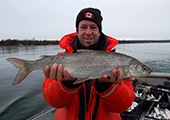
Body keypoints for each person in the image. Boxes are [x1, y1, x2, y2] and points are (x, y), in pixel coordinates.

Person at [42, 7, 135, 120]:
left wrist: (108, 86)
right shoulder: (60, 59)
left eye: (93, 27)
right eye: (83, 27)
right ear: (77, 31)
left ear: (99, 31)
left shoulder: (118, 60)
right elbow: (53, 102)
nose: (88, 32)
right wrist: (66, 84)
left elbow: (123, 106)